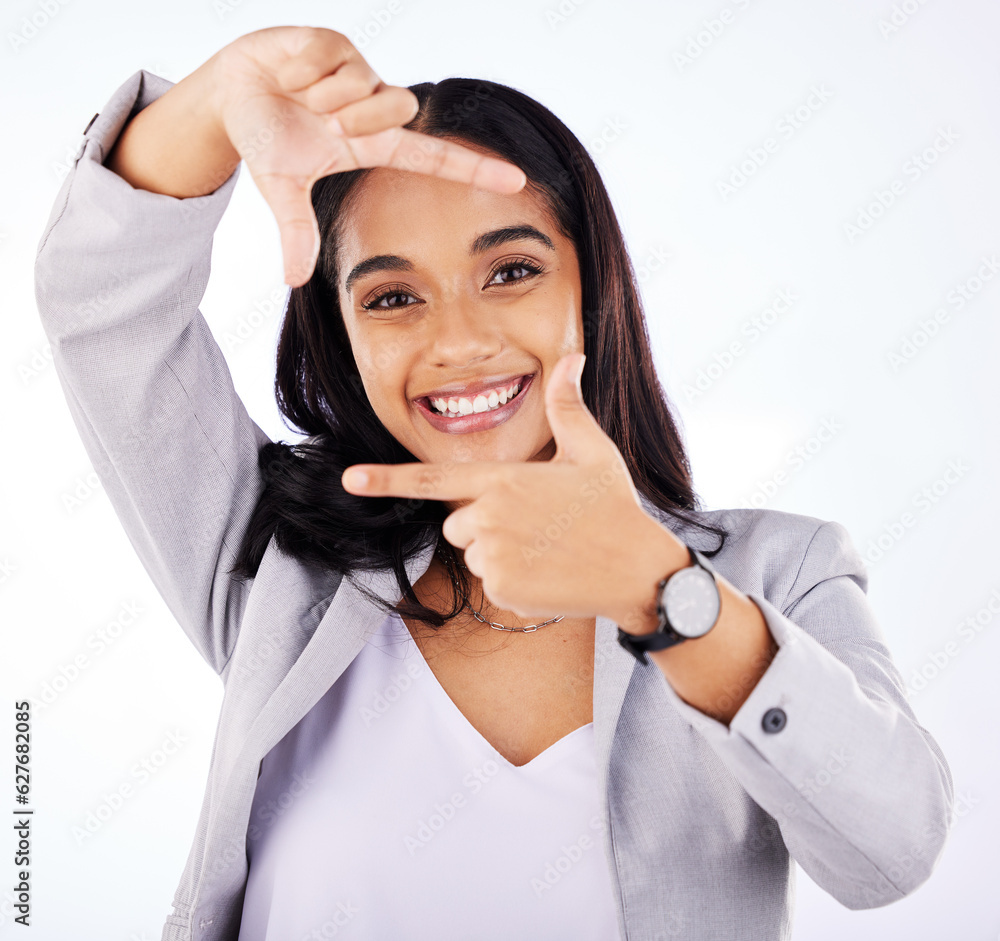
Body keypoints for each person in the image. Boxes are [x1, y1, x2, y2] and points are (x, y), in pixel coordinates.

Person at [34, 25, 954, 941]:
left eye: (511, 271)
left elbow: (890, 847)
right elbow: (104, 297)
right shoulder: (280, 575)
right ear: (345, 339)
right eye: (392, 296)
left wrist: (662, 591)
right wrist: (213, 99)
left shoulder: (779, 571)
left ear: (592, 292)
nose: (459, 342)